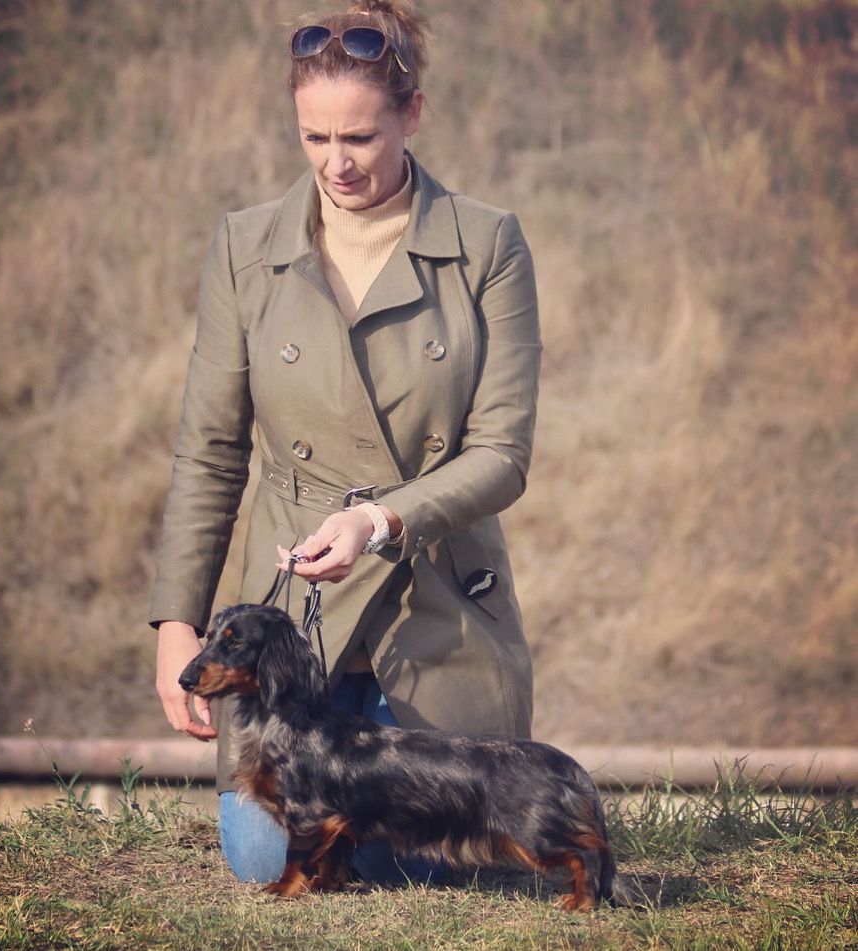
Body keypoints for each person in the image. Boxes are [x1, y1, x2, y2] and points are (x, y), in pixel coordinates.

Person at [151, 0, 542, 886]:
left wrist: (378, 522)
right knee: (268, 859)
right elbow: (210, 450)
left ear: (411, 114)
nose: (336, 162)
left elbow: (502, 453)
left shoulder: (487, 244)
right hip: (291, 633)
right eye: (314, 137)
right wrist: (177, 625)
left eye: (360, 136)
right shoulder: (245, 245)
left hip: (435, 612)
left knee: (422, 862)